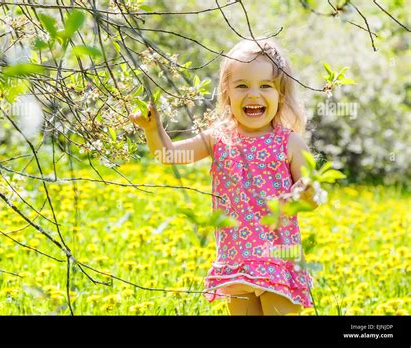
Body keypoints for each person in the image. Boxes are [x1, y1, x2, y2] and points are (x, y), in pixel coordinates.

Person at [129, 38, 317, 315]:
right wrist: (152, 129)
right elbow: (169, 156)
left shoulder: (289, 143)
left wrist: (306, 193)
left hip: (277, 259)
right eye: (242, 85)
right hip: (236, 261)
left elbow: (313, 196)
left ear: (281, 95)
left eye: (265, 86)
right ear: (226, 92)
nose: (253, 94)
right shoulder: (218, 138)